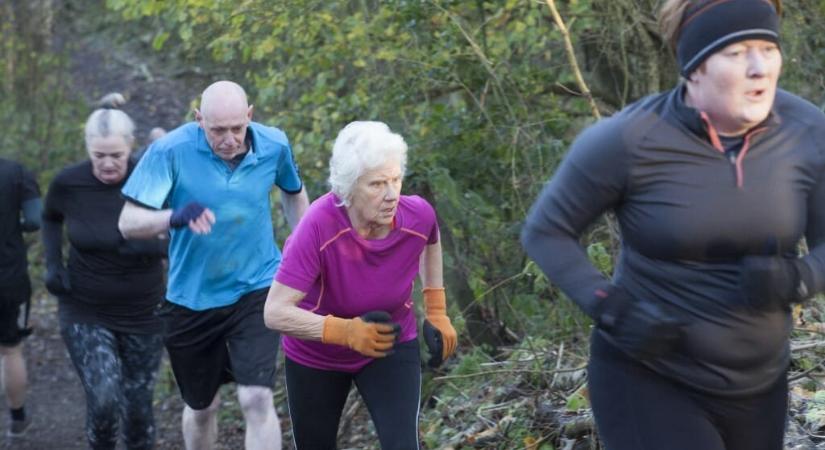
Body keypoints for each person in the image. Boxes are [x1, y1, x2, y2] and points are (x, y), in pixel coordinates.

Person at [521, 1, 825, 449]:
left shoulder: (807, 132)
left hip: (760, 385)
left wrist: (801, 276)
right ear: (695, 66)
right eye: (738, 52)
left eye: (768, 47)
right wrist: (611, 307)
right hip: (649, 378)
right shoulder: (630, 139)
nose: (760, 68)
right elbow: (545, 230)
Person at [118, 80, 309, 450]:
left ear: (250, 116)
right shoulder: (170, 151)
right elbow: (127, 223)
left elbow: (293, 193)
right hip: (191, 300)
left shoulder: (274, 145)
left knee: (256, 398)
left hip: (257, 289)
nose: (229, 139)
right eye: (217, 130)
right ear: (198, 119)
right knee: (202, 407)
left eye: (237, 128)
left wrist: (303, 252)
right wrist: (173, 216)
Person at [263, 121, 458, 449]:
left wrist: (436, 309)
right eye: (378, 184)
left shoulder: (416, 215)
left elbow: (431, 238)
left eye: (396, 179)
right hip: (317, 354)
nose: (392, 194)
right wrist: (346, 332)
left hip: (388, 342)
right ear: (349, 188)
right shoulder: (316, 227)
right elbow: (274, 312)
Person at [41, 93, 167, 450]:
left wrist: (153, 245)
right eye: (99, 156)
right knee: (105, 398)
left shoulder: (153, 182)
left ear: (131, 148)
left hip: (144, 312)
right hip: (85, 308)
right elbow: (50, 218)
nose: (108, 164)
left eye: (116, 155)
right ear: (88, 150)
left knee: (139, 409)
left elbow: (178, 231)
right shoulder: (69, 183)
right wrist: (53, 265)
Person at [0, 158, 41, 438]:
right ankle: (18, 420)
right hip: (8, 276)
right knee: (11, 349)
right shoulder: (16, 172)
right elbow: (34, 221)